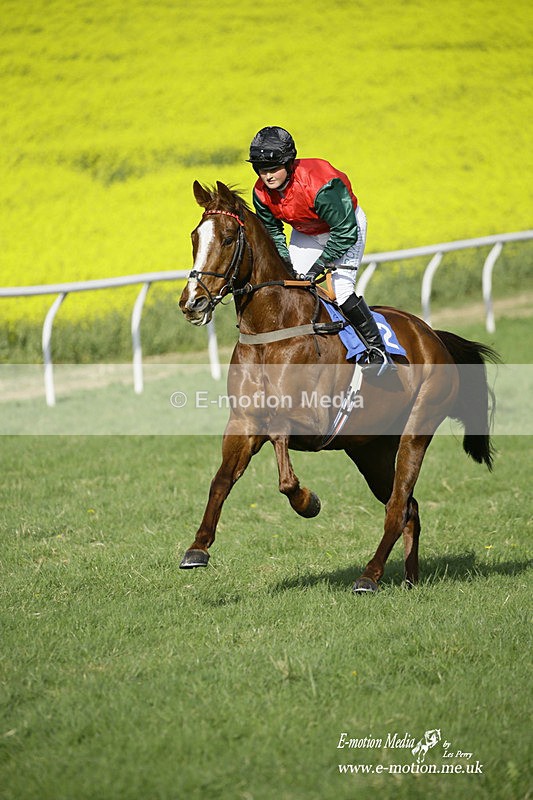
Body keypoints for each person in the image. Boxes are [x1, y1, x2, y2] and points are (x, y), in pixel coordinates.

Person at [248, 125, 395, 373]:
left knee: (341, 290)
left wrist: (320, 265)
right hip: (308, 232)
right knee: (291, 284)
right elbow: (273, 232)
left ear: (289, 163)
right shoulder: (260, 193)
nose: (267, 176)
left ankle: (377, 349)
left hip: (345, 228)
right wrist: (287, 264)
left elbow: (345, 231)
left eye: (273, 168)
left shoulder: (320, 185)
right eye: (261, 169)